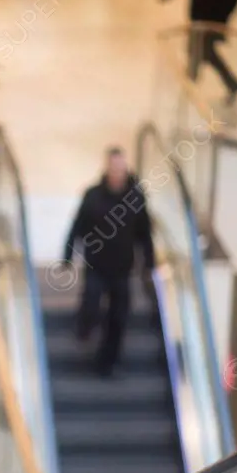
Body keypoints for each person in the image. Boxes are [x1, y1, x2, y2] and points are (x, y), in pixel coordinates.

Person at [62, 147, 155, 377]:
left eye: (121, 168)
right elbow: (77, 225)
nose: (117, 173)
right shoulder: (93, 195)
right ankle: (84, 329)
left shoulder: (135, 198)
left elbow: (145, 233)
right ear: (107, 168)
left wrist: (149, 263)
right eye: (113, 168)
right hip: (96, 265)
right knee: (91, 304)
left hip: (122, 269)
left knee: (118, 317)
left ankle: (108, 362)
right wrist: (68, 253)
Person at [161, 0, 237, 105]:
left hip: (210, 24)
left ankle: (190, 85)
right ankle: (232, 84)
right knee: (206, 53)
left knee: (199, 51)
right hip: (199, 23)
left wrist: (220, 19)